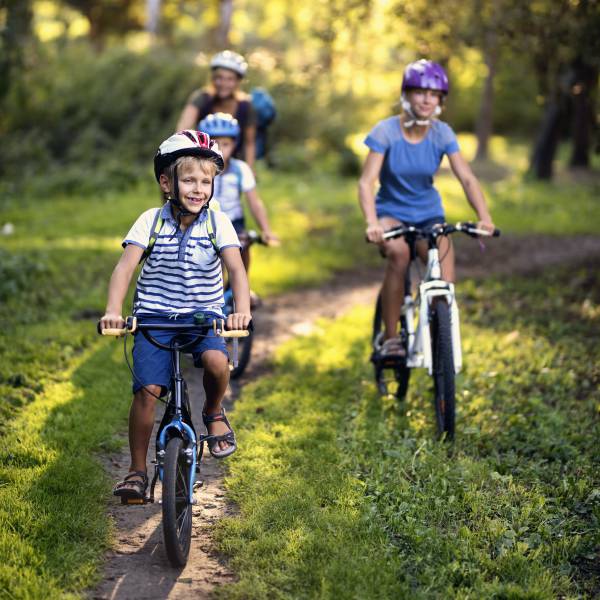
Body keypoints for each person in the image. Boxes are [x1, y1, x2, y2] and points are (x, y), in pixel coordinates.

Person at [99, 130, 251, 502]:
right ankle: (136, 471)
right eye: (188, 180)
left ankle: (213, 411)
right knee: (148, 392)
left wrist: (241, 312)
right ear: (167, 183)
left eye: (205, 181)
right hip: (154, 319)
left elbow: (237, 269)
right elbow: (125, 268)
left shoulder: (218, 224)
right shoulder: (150, 221)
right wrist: (113, 312)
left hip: (204, 318)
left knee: (218, 362)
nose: (198, 189)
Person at [359, 59, 496, 357]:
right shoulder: (385, 132)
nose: (426, 99)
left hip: (429, 214)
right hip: (390, 213)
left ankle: (440, 338)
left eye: (433, 94)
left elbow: (467, 179)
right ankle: (392, 338)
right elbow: (366, 183)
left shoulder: (442, 133)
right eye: (419, 92)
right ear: (406, 95)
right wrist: (372, 222)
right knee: (399, 254)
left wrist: (484, 218)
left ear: (440, 101)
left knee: (444, 279)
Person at [199, 112, 278, 288]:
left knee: (243, 249)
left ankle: (242, 289)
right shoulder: (198, 169)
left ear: (234, 145)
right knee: (214, 268)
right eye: (215, 143)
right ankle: (213, 297)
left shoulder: (241, 169)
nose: (220, 148)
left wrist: (266, 230)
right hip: (204, 223)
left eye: (225, 144)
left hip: (234, 223)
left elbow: (254, 202)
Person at [176, 51, 257, 170]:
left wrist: (249, 171)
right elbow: (183, 130)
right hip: (203, 160)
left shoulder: (246, 106)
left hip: (232, 163)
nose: (224, 83)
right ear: (212, 78)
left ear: (238, 82)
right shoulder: (202, 98)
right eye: (219, 78)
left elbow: (249, 143)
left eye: (230, 79)